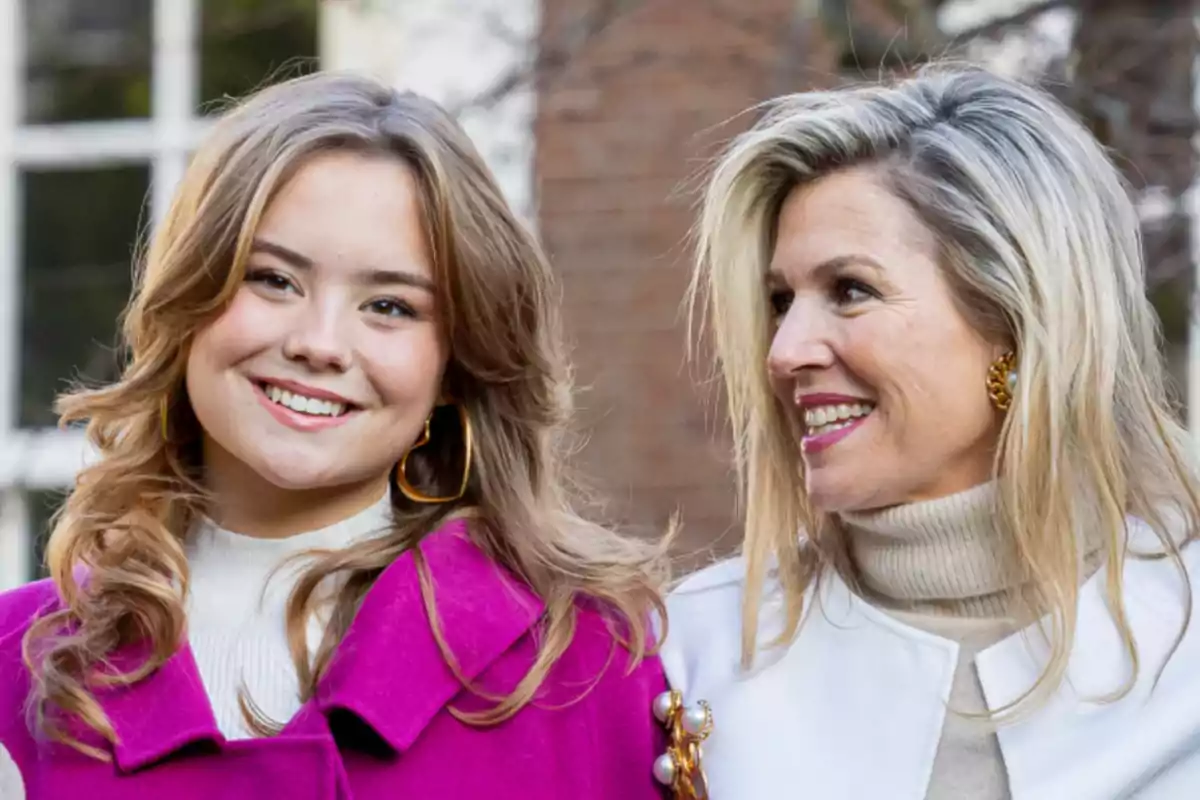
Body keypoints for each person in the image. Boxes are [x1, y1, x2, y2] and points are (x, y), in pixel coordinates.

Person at [0, 72, 685, 799]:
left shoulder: (579, 664)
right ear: (189, 299)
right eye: (273, 280)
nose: (320, 344)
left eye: (389, 305)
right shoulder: (18, 666)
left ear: (455, 365)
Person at [663, 65, 1200, 799]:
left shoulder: (1184, 636)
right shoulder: (694, 651)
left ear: (1014, 322)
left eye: (850, 290)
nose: (783, 351)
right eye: (781, 300)